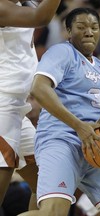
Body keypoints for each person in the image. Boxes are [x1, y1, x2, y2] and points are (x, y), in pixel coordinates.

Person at [18, 8, 100, 216]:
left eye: (94, 27)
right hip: (61, 140)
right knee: (53, 213)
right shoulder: (62, 52)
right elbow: (39, 88)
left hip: (97, 145)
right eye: (81, 27)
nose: (89, 32)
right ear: (69, 31)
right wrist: (79, 126)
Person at [0, 0, 61, 210]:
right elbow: (41, 17)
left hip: (18, 108)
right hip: (2, 108)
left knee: (48, 186)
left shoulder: (22, 4)